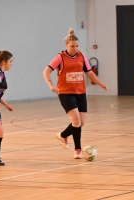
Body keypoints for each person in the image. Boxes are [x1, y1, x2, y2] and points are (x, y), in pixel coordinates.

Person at [43, 28, 108, 159]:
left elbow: (89, 73)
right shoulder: (60, 57)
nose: (75, 48)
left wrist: (101, 84)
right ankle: (77, 149)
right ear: (66, 45)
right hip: (65, 93)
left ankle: (62, 135)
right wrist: (51, 86)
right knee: (76, 120)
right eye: (72, 46)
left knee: (81, 122)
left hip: (80, 92)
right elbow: (46, 71)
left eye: (77, 46)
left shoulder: (81, 56)